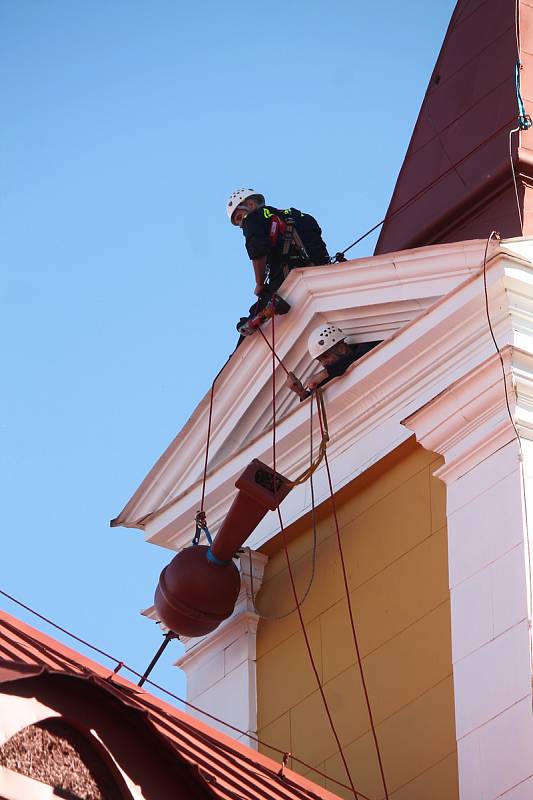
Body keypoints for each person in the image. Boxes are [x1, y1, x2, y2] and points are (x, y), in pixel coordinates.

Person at [227, 189, 330, 333]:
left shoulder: (253, 218)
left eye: (239, 217)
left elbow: (257, 250)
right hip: (321, 273)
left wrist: (260, 284)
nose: (241, 225)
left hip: (289, 278)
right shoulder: (300, 215)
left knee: (249, 318)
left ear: (250, 204)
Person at [287, 323, 382, 397]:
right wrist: (301, 392)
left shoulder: (365, 347)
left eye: (325, 356)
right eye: (319, 360)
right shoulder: (330, 375)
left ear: (341, 348)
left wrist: (324, 373)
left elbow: (358, 356)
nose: (323, 363)